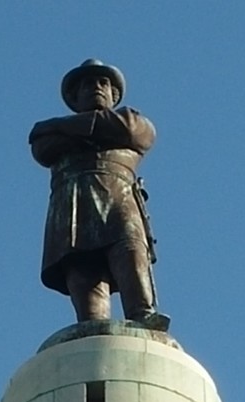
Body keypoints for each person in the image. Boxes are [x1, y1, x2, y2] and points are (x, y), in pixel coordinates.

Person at [29, 59, 168, 329]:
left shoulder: (135, 121)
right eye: (88, 84)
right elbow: (43, 146)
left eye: (103, 82)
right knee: (82, 270)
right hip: (73, 204)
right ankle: (92, 327)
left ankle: (142, 315)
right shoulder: (50, 131)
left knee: (129, 254)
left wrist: (71, 129)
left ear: (114, 94)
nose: (97, 87)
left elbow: (132, 131)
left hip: (120, 200)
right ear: (74, 96)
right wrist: (101, 130)